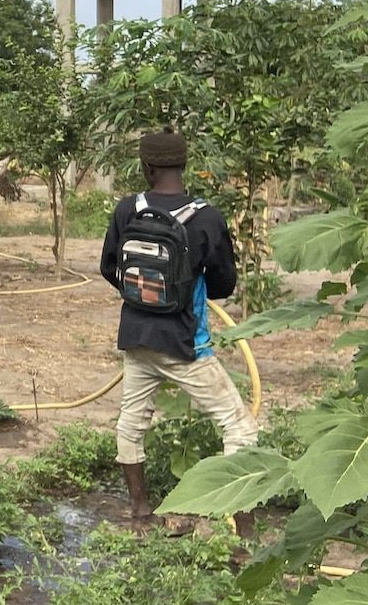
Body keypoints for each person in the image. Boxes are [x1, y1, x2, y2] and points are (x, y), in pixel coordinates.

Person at [99, 128, 258, 533]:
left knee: (131, 423)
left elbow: (109, 268)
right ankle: (245, 535)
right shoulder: (206, 217)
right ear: (185, 164)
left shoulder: (126, 210)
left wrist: (145, 294)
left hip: (136, 337)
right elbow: (223, 285)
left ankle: (140, 514)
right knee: (238, 427)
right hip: (186, 343)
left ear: (146, 166)